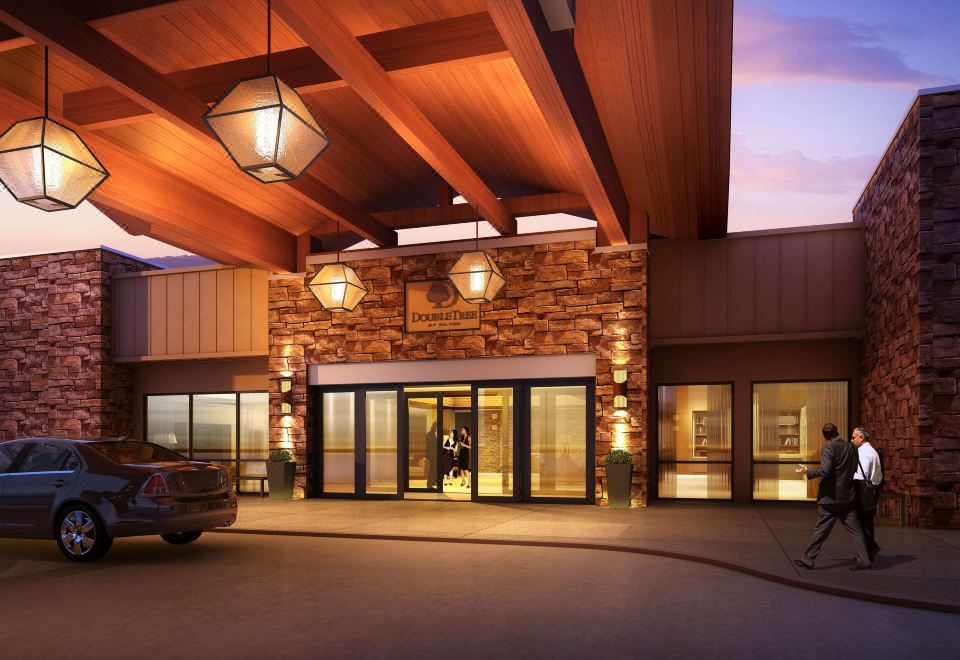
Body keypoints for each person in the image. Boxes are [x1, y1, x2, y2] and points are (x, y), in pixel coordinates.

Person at [794, 423, 872, 571]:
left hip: (830, 497)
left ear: (825, 435)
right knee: (855, 530)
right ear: (837, 432)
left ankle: (808, 560)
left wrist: (808, 472)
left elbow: (825, 470)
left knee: (821, 529)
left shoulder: (829, 447)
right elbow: (854, 467)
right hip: (848, 496)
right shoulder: (851, 447)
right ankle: (864, 560)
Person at [852, 427, 882, 561]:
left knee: (862, 523)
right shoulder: (871, 451)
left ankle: (869, 550)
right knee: (866, 522)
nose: (851, 440)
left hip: (864, 491)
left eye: (854, 437)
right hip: (872, 489)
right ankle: (869, 550)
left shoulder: (864, 453)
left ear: (861, 438)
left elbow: (861, 475)